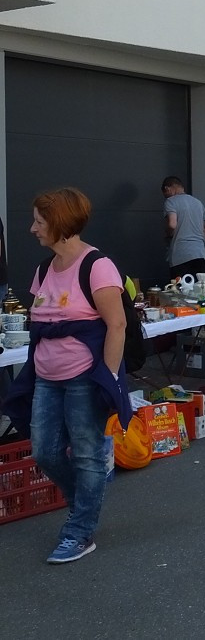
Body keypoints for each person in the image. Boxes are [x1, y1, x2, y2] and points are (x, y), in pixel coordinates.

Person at [1, 188, 133, 563]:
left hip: (82, 378)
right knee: (43, 450)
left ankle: (79, 531)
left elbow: (117, 325)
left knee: (88, 454)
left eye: (39, 222)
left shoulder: (97, 266)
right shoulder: (43, 269)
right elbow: (40, 323)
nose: (32, 229)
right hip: (46, 377)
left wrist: (107, 378)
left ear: (59, 223)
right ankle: (83, 506)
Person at [161, 176, 205, 280]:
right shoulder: (198, 203)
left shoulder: (170, 202)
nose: (166, 197)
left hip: (180, 255)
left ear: (167, 188)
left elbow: (172, 224)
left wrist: (168, 233)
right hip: (199, 254)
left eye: (165, 194)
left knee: (180, 291)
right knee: (200, 290)